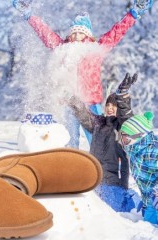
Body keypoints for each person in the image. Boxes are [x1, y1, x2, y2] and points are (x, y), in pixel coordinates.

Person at [12, 0, 153, 148]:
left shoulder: (95, 48)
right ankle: (72, 165)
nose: (76, 35)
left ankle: (102, 166)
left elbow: (117, 32)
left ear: (87, 34)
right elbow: (44, 32)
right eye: (73, 32)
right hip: (69, 102)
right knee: (70, 139)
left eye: (80, 32)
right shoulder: (62, 48)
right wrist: (29, 15)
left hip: (90, 103)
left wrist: (133, 14)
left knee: (98, 139)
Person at [68, 72, 140, 212]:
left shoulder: (121, 128)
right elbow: (83, 113)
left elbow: (125, 162)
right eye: (108, 105)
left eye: (114, 105)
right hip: (92, 180)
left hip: (111, 184)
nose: (110, 108)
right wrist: (70, 96)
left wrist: (123, 187)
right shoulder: (98, 123)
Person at [120, 112, 158, 224]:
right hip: (150, 202)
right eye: (121, 137)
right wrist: (146, 199)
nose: (123, 142)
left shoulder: (153, 151)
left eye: (126, 138)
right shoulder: (136, 150)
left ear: (138, 136)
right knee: (149, 225)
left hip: (155, 201)